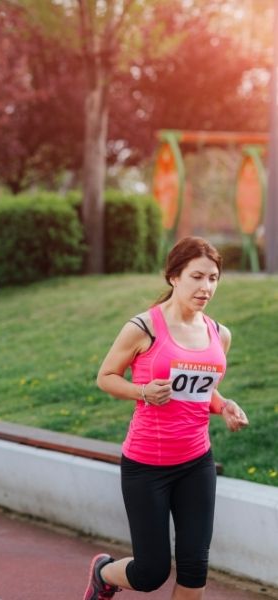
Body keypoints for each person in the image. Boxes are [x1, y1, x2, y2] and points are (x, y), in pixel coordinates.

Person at [84, 237, 249, 600]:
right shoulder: (144, 328)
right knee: (150, 572)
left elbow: (202, 391)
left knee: (194, 567)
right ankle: (103, 573)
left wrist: (224, 406)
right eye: (197, 277)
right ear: (174, 277)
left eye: (213, 278)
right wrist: (142, 392)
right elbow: (106, 376)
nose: (206, 287)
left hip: (196, 462)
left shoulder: (219, 334)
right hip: (147, 465)